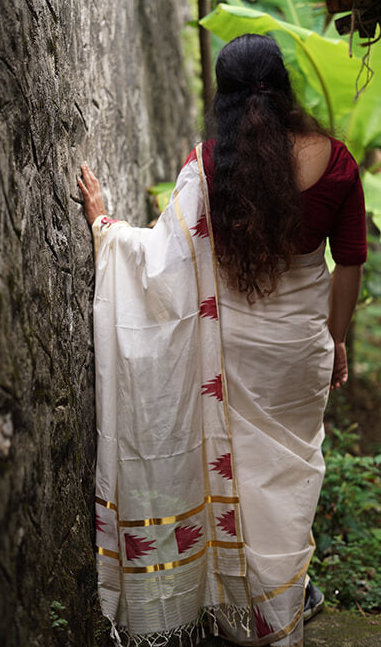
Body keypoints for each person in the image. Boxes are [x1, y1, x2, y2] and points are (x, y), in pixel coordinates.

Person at [78, 34, 366, 647]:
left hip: (229, 353)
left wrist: (106, 225)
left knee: (236, 476)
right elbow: (351, 264)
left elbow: (161, 259)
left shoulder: (210, 164)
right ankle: (278, 610)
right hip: (299, 352)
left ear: (225, 96)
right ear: (283, 86)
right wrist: (336, 340)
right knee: (285, 485)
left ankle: (241, 608)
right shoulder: (338, 162)